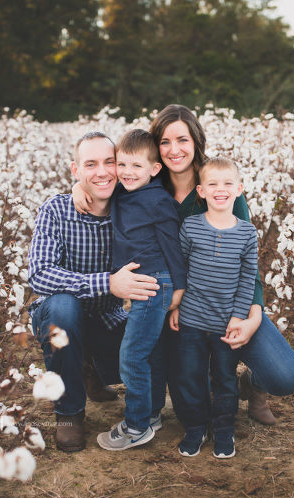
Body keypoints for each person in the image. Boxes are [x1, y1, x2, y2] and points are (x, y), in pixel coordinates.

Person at [73, 105, 294, 427]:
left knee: (286, 377)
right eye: (165, 142)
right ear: (155, 153)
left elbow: (245, 261)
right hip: (175, 306)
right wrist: (78, 188)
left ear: (196, 140)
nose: (174, 150)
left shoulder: (218, 187)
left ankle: (253, 385)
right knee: (192, 411)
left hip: (228, 301)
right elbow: (104, 181)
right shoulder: (144, 184)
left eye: (181, 139)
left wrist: (253, 316)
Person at [28, 131, 160, 452]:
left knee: (152, 362)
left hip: (107, 317)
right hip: (59, 315)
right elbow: (40, 275)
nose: (101, 172)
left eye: (109, 162)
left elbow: (157, 172)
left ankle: (90, 370)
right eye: (90, 165)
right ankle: (69, 413)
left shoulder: (130, 209)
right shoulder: (56, 210)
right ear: (76, 171)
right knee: (63, 309)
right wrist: (108, 282)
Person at [96, 129, 186, 451]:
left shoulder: (158, 200)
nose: (127, 173)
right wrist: (80, 187)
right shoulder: (122, 191)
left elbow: (172, 245)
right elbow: (98, 190)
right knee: (149, 351)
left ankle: (136, 426)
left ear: (154, 169)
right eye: (122, 165)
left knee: (132, 354)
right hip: (138, 284)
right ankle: (151, 414)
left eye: (136, 166)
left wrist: (178, 287)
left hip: (154, 283)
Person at [169, 157, 257, 458]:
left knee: (224, 380)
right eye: (213, 184)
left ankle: (223, 430)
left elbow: (248, 280)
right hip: (192, 320)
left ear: (240, 189)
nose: (221, 190)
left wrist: (237, 317)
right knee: (190, 377)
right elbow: (180, 269)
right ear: (201, 191)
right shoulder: (191, 226)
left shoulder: (247, 233)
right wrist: (176, 307)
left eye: (228, 184)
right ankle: (196, 428)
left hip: (225, 325)